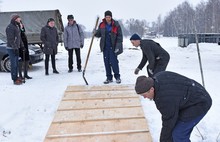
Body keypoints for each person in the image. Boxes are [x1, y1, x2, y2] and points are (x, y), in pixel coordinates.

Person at [135, 71, 212, 142]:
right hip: (192, 95)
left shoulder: (163, 99)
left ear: (151, 89)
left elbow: (168, 122)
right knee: (174, 129)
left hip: (199, 103)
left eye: (144, 95)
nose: (145, 97)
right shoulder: (158, 77)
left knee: (179, 134)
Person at [94, 10, 123, 84]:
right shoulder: (102, 25)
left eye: (109, 17)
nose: (107, 18)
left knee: (114, 62)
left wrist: (118, 46)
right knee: (106, 62)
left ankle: (117, 77)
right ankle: (109, 77)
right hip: (105, 47)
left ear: (111, 17)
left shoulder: (116, 24)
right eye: (106, 17)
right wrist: (95, 32)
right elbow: (99, 34)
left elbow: (120, 36)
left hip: (113, 46)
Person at [5, 14, 23, 85]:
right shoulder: (10, 27)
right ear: (15, 19)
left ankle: (16, 77)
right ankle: (14, 79)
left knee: (16, 63)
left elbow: (18, 37)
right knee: (14, 64)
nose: (20, 19)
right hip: (11, 48)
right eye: (19, 18)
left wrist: (22, 46)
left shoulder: (16, 26)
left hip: (16, 47)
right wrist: (15, 48)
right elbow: (10, 39)